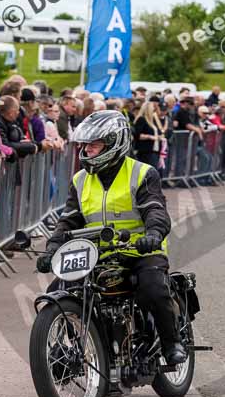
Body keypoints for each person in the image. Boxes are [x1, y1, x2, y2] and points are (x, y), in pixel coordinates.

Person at [36, 110, 185, 365]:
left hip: (139, 251)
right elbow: (69, 220)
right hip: (96, 255)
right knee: (57, 291)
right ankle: (69, 348)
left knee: (152, 288)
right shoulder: (80, 179)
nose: (86, 150)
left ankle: (172, 344)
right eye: (84, 144)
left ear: (115, 143)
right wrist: (51, 249)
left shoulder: (142, 173)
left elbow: (155, 210)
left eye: (93, 144)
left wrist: (152, 234)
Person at [132, 96, 166, 169]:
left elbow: (159, 132)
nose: (154, 110)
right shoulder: (141, 119)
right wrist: (150, 137)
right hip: (145, 151)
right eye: (153, 108)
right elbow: (137, 134)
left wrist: (159, 137)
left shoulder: (152, 120)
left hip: (154, 150)